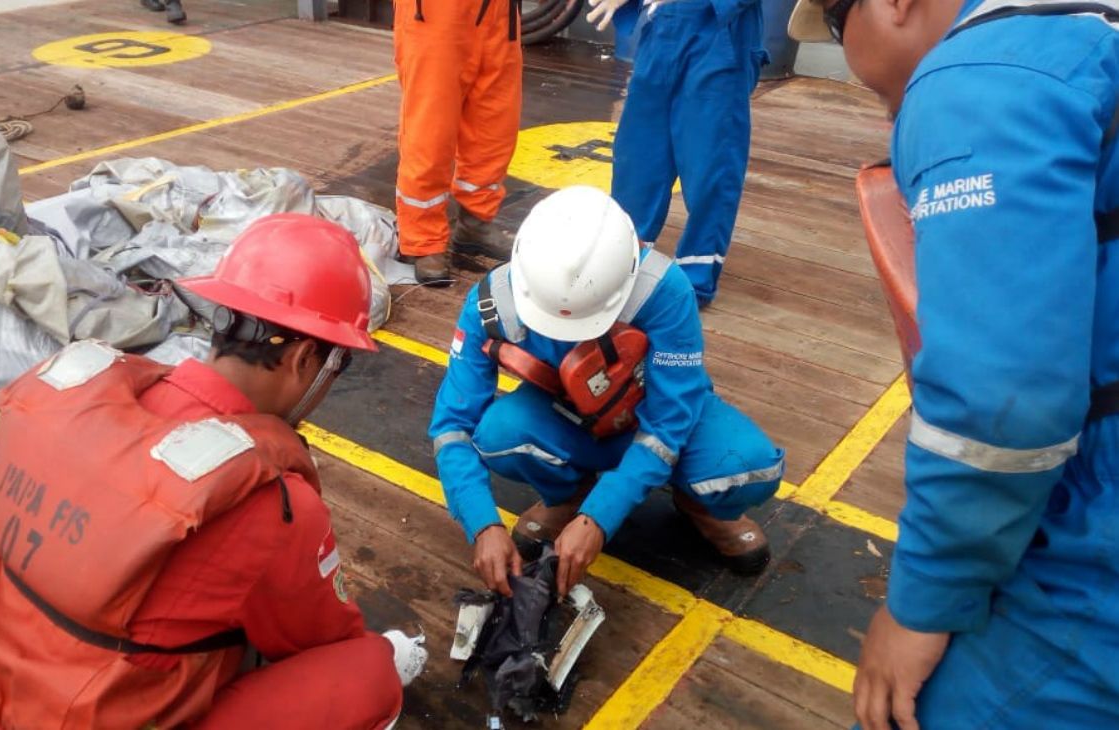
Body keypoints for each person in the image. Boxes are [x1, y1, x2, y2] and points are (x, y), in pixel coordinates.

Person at [0, 215, 425, 729]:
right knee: (369, 671)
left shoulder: (78, 396)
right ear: (304, 358)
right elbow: (321, 639)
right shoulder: (271, 505)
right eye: (335, 366)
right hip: (84, 714)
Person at [787, 1, 1119, 728]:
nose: (890, 116)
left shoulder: (977, 78)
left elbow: (1004, 403)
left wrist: (922, 604)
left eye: (840, 25)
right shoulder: (1083, 38)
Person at [429, 186, 785, 597]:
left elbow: (670, 423)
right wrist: (482, 524)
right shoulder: (489, 306)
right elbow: (452, 425)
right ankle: (569, 496)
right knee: (498, 435)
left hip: (659, 419)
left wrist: (600, 516)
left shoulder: (664, 290)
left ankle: (697, 504)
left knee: (748, 467)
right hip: (570, 422)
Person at [586, 0, 767, 306]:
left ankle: (694, 281)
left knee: (710, 165)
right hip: (661, 34)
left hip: (720, 40)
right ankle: (624, 259)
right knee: (639, 157)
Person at [392, 0, 521, 284]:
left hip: (498, 14)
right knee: (430, 132)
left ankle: (476, 222)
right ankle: (423, 240)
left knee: (494, 127)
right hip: (436, 13)